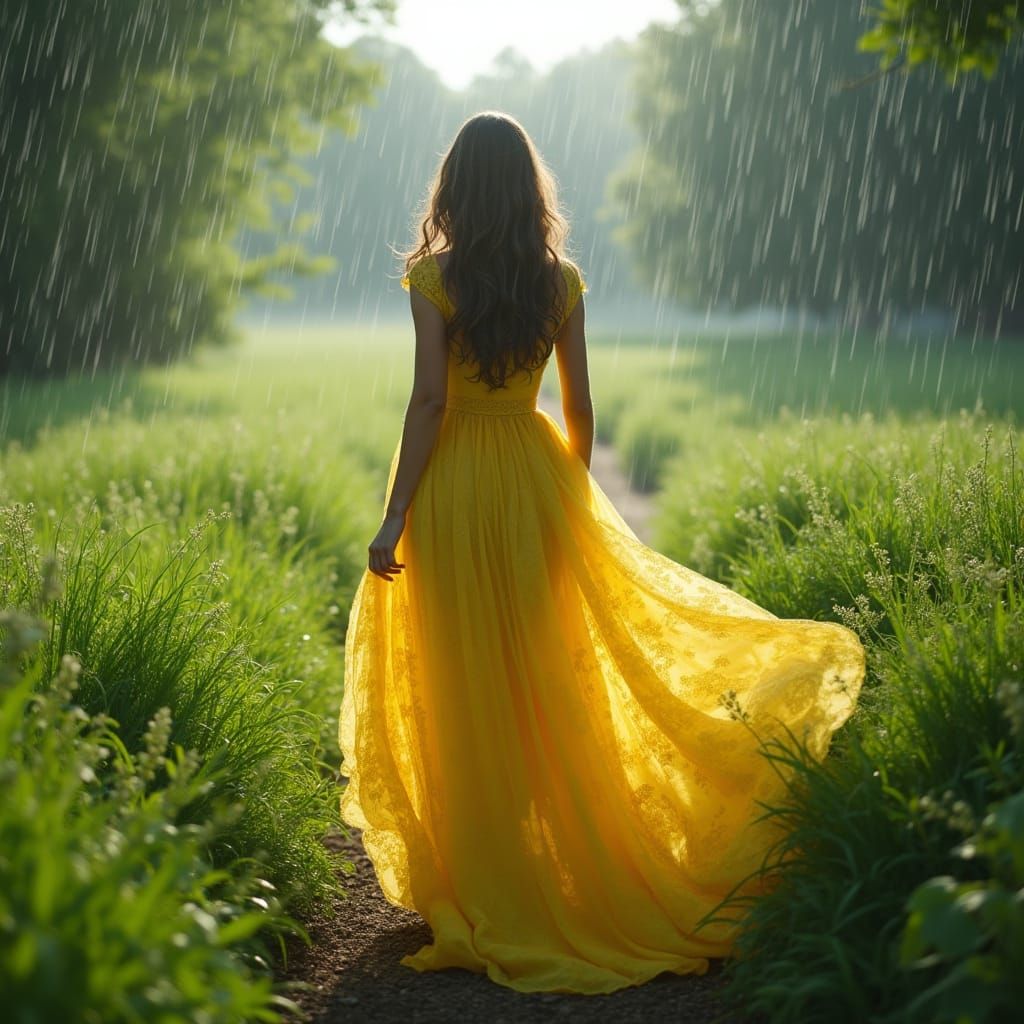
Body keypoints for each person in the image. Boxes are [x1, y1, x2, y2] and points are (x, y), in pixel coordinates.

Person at [338, 110, 865, 995]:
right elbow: (580, 407)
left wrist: (395, 517)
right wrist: (569, 501)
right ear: (528, 191)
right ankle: (555, 861)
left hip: (456, 486)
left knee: (463, 671)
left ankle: (487, 873)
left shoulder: (432, 280)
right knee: (540, 667)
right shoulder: (562, 283)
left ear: (454, 189)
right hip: (535, 478)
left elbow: (429, 403)